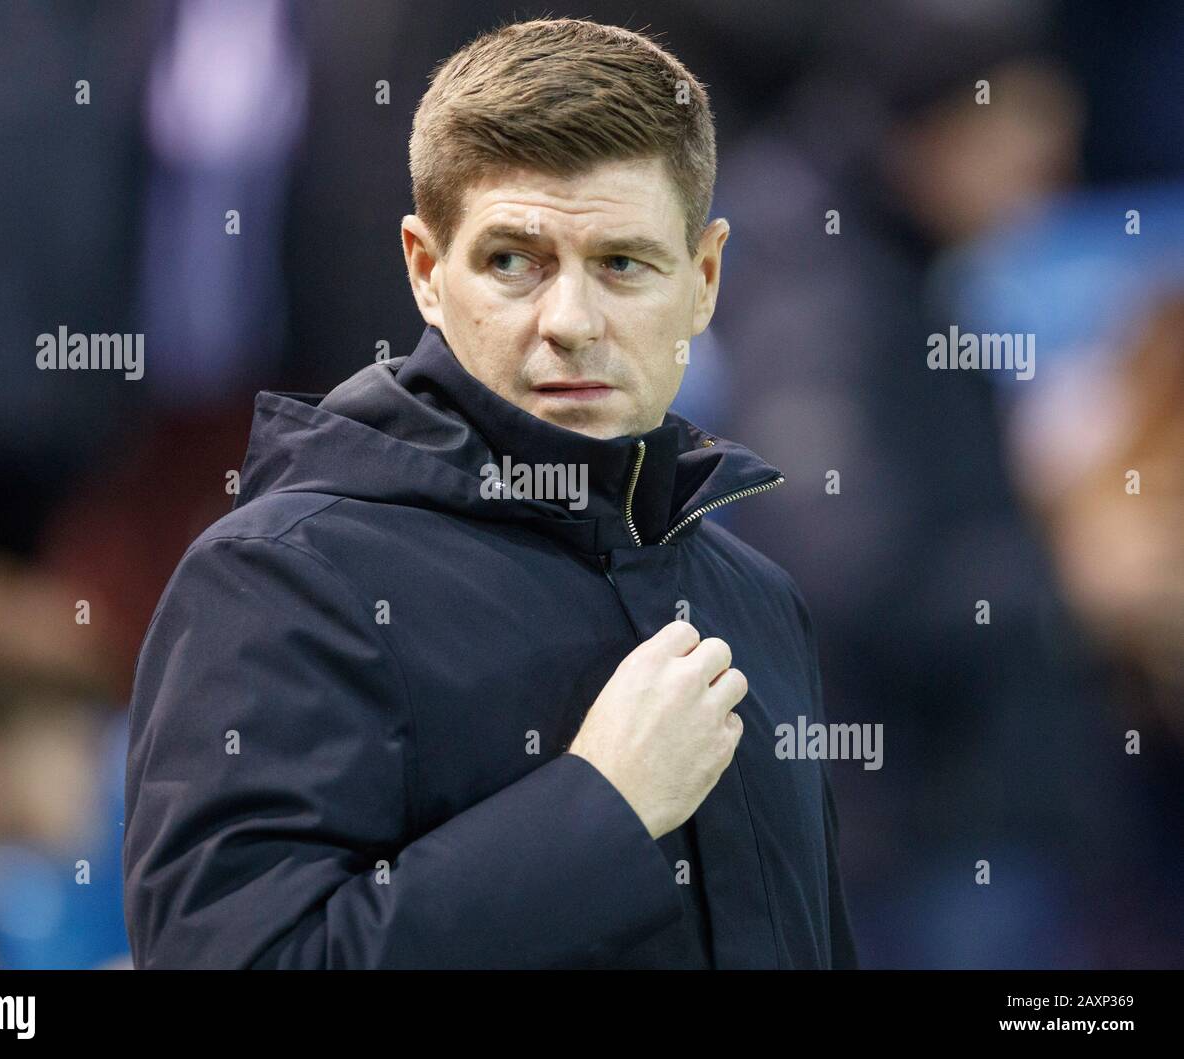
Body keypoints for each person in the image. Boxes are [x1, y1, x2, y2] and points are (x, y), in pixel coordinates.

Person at [123, 17, 858, 969]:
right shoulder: (278, 580)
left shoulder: (757, 597)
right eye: (514, 261)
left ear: (706, 276)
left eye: (622, 264)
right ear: (427, 271)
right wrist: (602, 807)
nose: (572, 321)